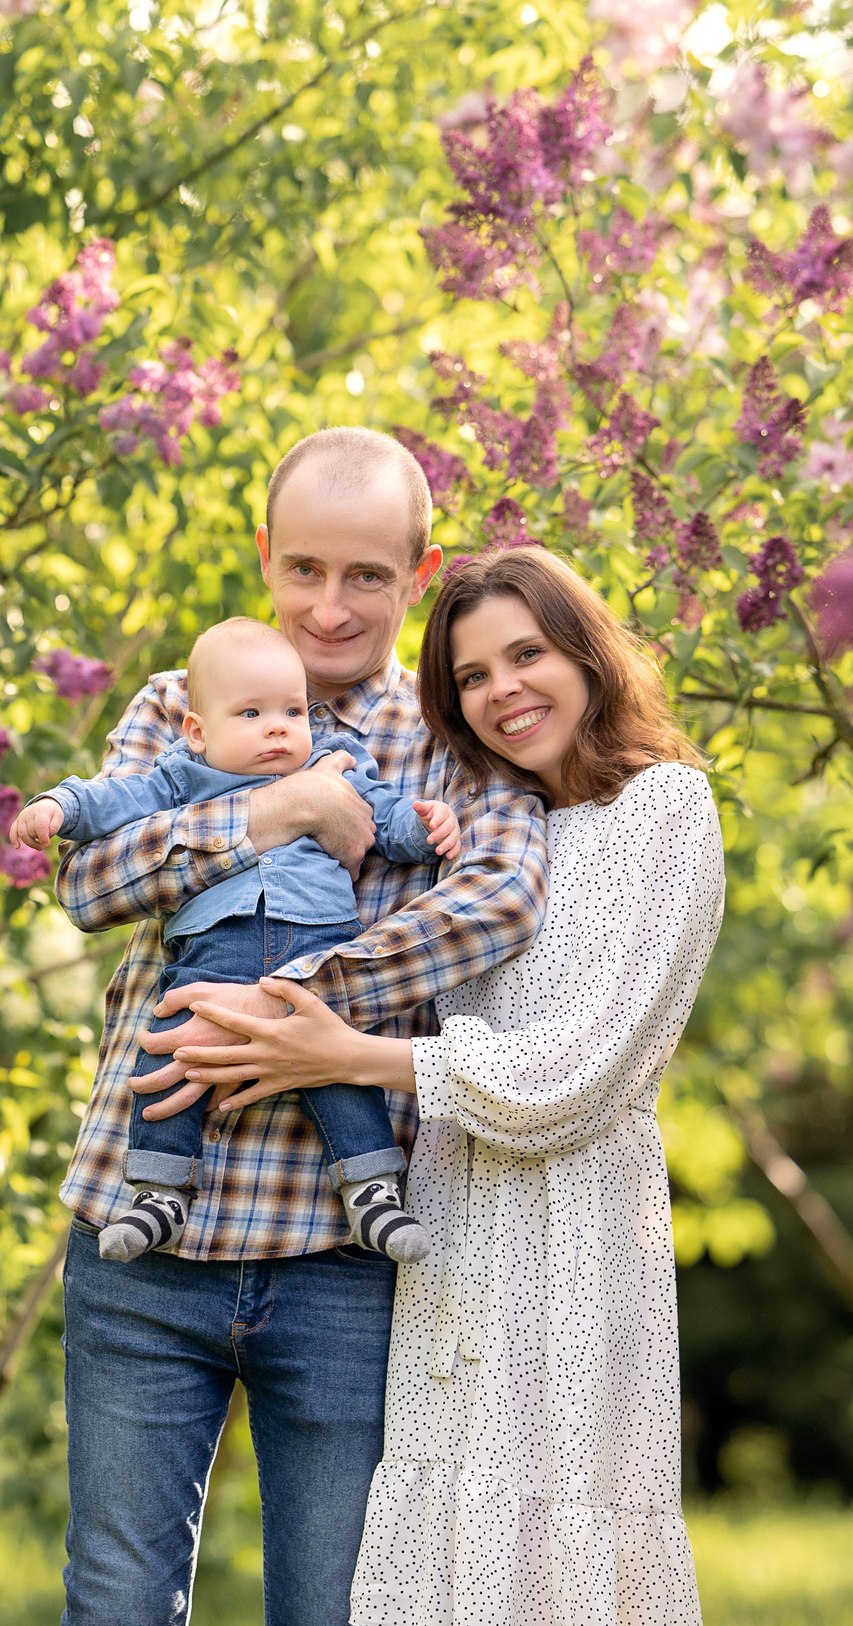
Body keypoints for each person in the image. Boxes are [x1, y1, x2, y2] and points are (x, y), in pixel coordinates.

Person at [147, 546, 726, 1625]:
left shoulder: (667, 810)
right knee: (440, 1553)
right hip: (448, 1221)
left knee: (560, 1543)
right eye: (471, 675)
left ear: (588, 656)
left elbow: (587, 1068)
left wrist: (347, 1056)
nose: (503, 690)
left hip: (578, 1235)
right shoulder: (479, 826)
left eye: (527, 654)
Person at [52, 428, 552, 1626]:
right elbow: (89, 884)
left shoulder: (451, 733)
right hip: (143, 1235)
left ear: (419, 575)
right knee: (116, 1600)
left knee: (333, 1606)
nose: (330, 607)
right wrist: (283, 809)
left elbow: (499, 899)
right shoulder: (179, 702)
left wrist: (304, 1011)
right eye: (306, 571)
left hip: (340, 1251)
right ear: (265, 555)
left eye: (367, 577)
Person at [12, 616, 462, 1265]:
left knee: (338, 1071)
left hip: (319, 946)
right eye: (252, 713)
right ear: (200, 730)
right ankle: (159, 1195)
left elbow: (388, 819)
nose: (278, 726)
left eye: (290, 709)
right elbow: (114, 800)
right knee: (169, 1057)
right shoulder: (183, 775)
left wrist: (429, 825)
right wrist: (60, 806)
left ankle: (373, 1195)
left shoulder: (335, 761)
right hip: (211, 952)